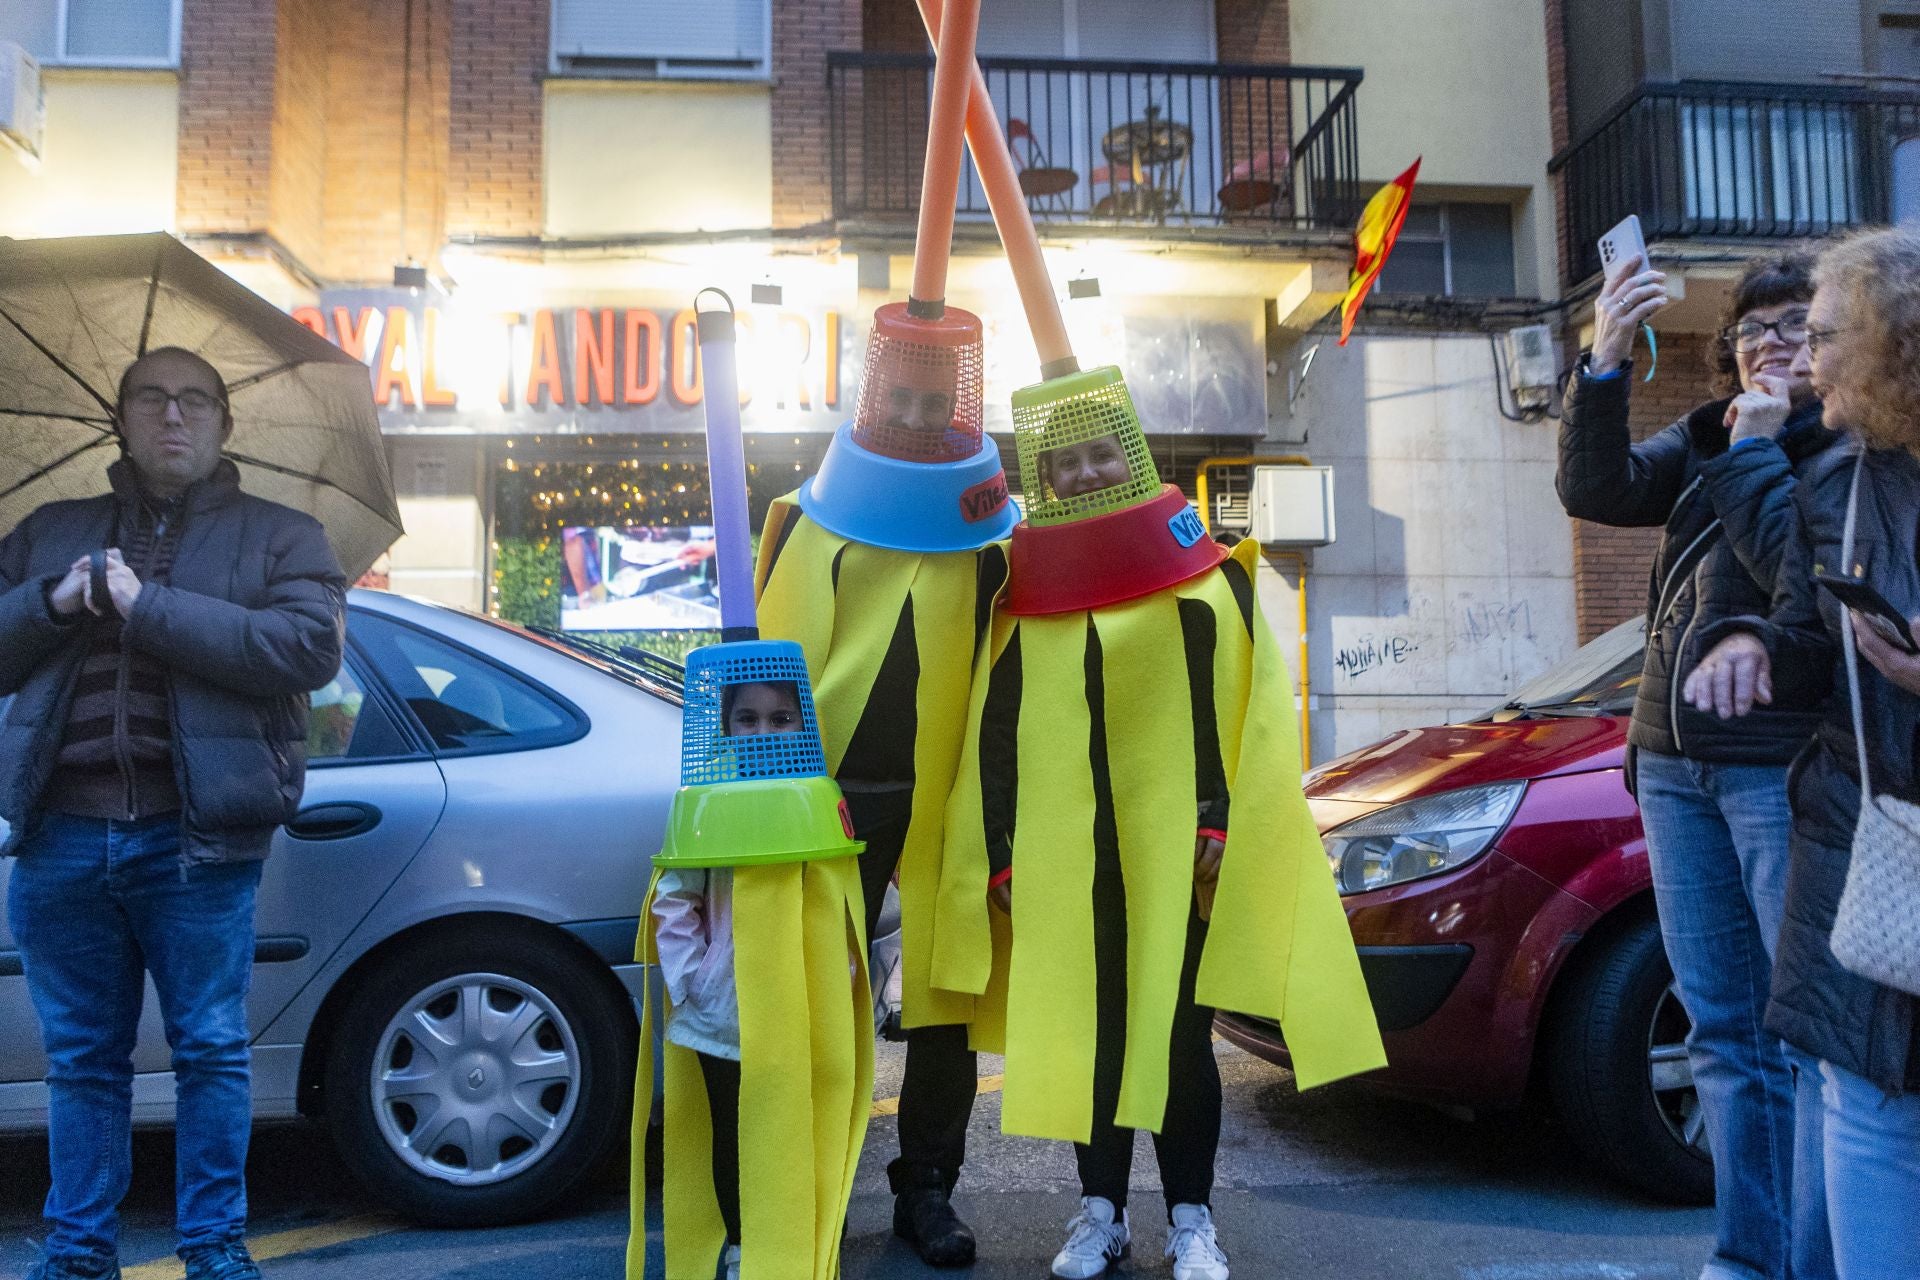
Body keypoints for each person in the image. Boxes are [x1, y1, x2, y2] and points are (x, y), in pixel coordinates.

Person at [942, 370, 1383, 1280]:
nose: (1085, 474)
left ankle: (1191, 1218)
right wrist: (1001, 857)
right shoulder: (1020, 599)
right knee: (1090, 1034)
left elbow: (1230, 712)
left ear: (1135, 458)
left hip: (1181, 852)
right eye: (1062, 463)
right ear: (1044, 479)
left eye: (1102, 452)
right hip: (1065, 861)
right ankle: (1099, 1211)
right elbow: (994, 736)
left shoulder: (1203, 581)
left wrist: (1220, 826)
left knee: (1182, 1038)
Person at [0, 347, 348, 1280]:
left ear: (225, 423)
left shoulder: (285, 535)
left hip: (197, 841)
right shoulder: (49, 533)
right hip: (60, 835)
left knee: (210, 1050)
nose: (174, 416)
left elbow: (306, 649)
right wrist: (52, 599)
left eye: (196, 400)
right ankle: (79, 1255)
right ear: (120, 419)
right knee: (80, 1062)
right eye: (151, 398)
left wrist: (143, 605)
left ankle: (214, 1250)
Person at [1556, 252, 1838, 1280]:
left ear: (1836, 343)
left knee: (1797, 1033)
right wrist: (1605, 357)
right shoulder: (1716, 430)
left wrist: (1757, 445)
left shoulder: (1844, 446)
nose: (1773, 343)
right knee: (1722, 1027)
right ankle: (1746, 1255)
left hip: (1777, 767)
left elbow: (1796, 574)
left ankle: (1809, 1258)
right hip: (1674, 764)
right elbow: (1597, 486)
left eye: (1798, 326)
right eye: (1756, 329)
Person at [755, 302, 1016, 1269]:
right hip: (833, 794)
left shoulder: (992, 537)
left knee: (944, 998)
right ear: (872, 394)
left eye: (932, 398)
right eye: (899, 395)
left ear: (960, 405)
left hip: (946, 795)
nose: (914, 413)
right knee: (813, 991)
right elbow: (766, 669)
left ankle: (929, 1188)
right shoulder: (807, 518)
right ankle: (803, 1177)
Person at [1686, 227, 1920, 1280]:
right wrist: (1752, 645)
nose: (1802, 357)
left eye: (1821, 335)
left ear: (1893, 346)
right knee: (1861, 1102)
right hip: (1864, 840)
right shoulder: (1842, 477)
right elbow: (1807, 621)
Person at [652, 679, 806, 1280]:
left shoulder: (814, 798)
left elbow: (848, 902)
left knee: (794, 1123)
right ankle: (742, 1243)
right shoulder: (706, 801)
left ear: (802, 723)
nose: (764, 732)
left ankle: (799, 1231)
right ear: (725, 725)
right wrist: (696, 982)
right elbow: (675, 898)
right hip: (726, 1007)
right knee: (734, 1131)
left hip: (801, 1000)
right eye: (747, 718)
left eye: (780, 718)